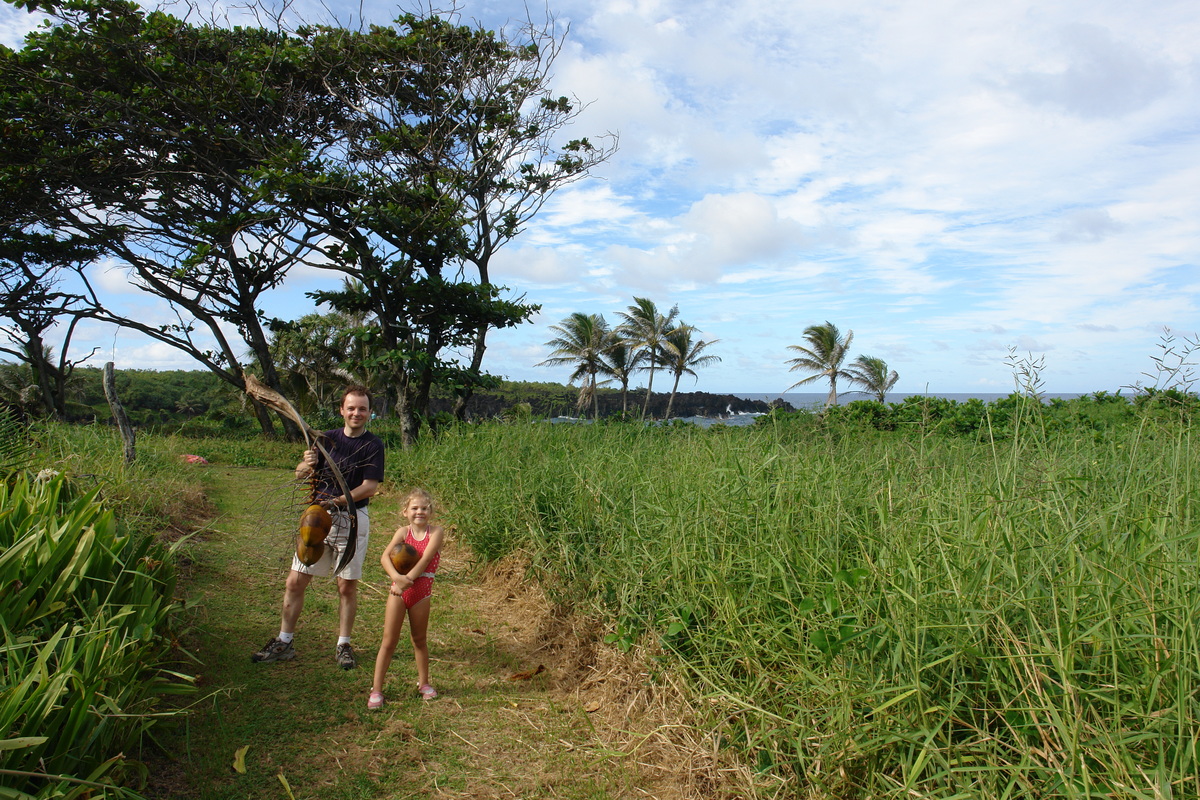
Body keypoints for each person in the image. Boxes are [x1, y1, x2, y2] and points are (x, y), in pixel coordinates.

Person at [251, 385, 385, 670]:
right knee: (295, 581)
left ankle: (343, 645)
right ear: (342, 410)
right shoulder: (325, 440)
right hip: (315, 521)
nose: (356, 413)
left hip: (350, 519)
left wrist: (335, 503)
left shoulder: (374, 445)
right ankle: (284, 641)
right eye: (351, 408)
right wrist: (307, 462)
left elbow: (370, 487)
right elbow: (301, 474)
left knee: (346, 586)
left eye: (362, 408)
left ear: (370, 413)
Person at [368, 488, 444, 709]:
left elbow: (425, 559)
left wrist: (407, 580)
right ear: (405, 512)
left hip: (420, 592)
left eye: (424, 508)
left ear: (430, 511)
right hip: (398, 592)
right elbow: (384, 557)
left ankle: (424, 683)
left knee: (419, 640)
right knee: (388, 641)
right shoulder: (402, 532)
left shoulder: (436, 532)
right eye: (415, 508)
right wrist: (396, 579)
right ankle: (377, 690)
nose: (420, 512)